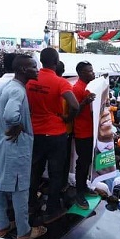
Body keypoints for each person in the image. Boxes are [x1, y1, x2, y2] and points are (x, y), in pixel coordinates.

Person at [0, 55, 46, 239]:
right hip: (16, 150)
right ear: (23, 70)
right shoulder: (18, 92)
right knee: (20, 190)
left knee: (0, 186)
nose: (37, 70)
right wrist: (19, 125)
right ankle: (24, 232)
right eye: (33, 67)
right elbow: (10, 115)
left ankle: (3, 226)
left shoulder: (7, 87)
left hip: (2, 147)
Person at [27, 48, 79, 223]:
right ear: (56, 62)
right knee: (56, 174)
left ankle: (31, 204)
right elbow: (75, 105)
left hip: (35, 132)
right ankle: (52, 209)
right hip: (56, 133)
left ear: (41, 61)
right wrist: (67, 118)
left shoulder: (30, 80)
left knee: (35, 171)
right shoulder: (60, 82)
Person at [71, 61, 97, 210]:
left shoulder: (90, 86)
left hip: (91, 130)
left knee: (87, 162)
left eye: (92, 71)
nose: (92, 73)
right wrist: (85, 103)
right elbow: (74, 113)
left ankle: (84, 187)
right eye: (89, 71)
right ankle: (79, 193)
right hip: (82, 132)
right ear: (81, 73)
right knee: (82, 163)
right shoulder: (77, 89)